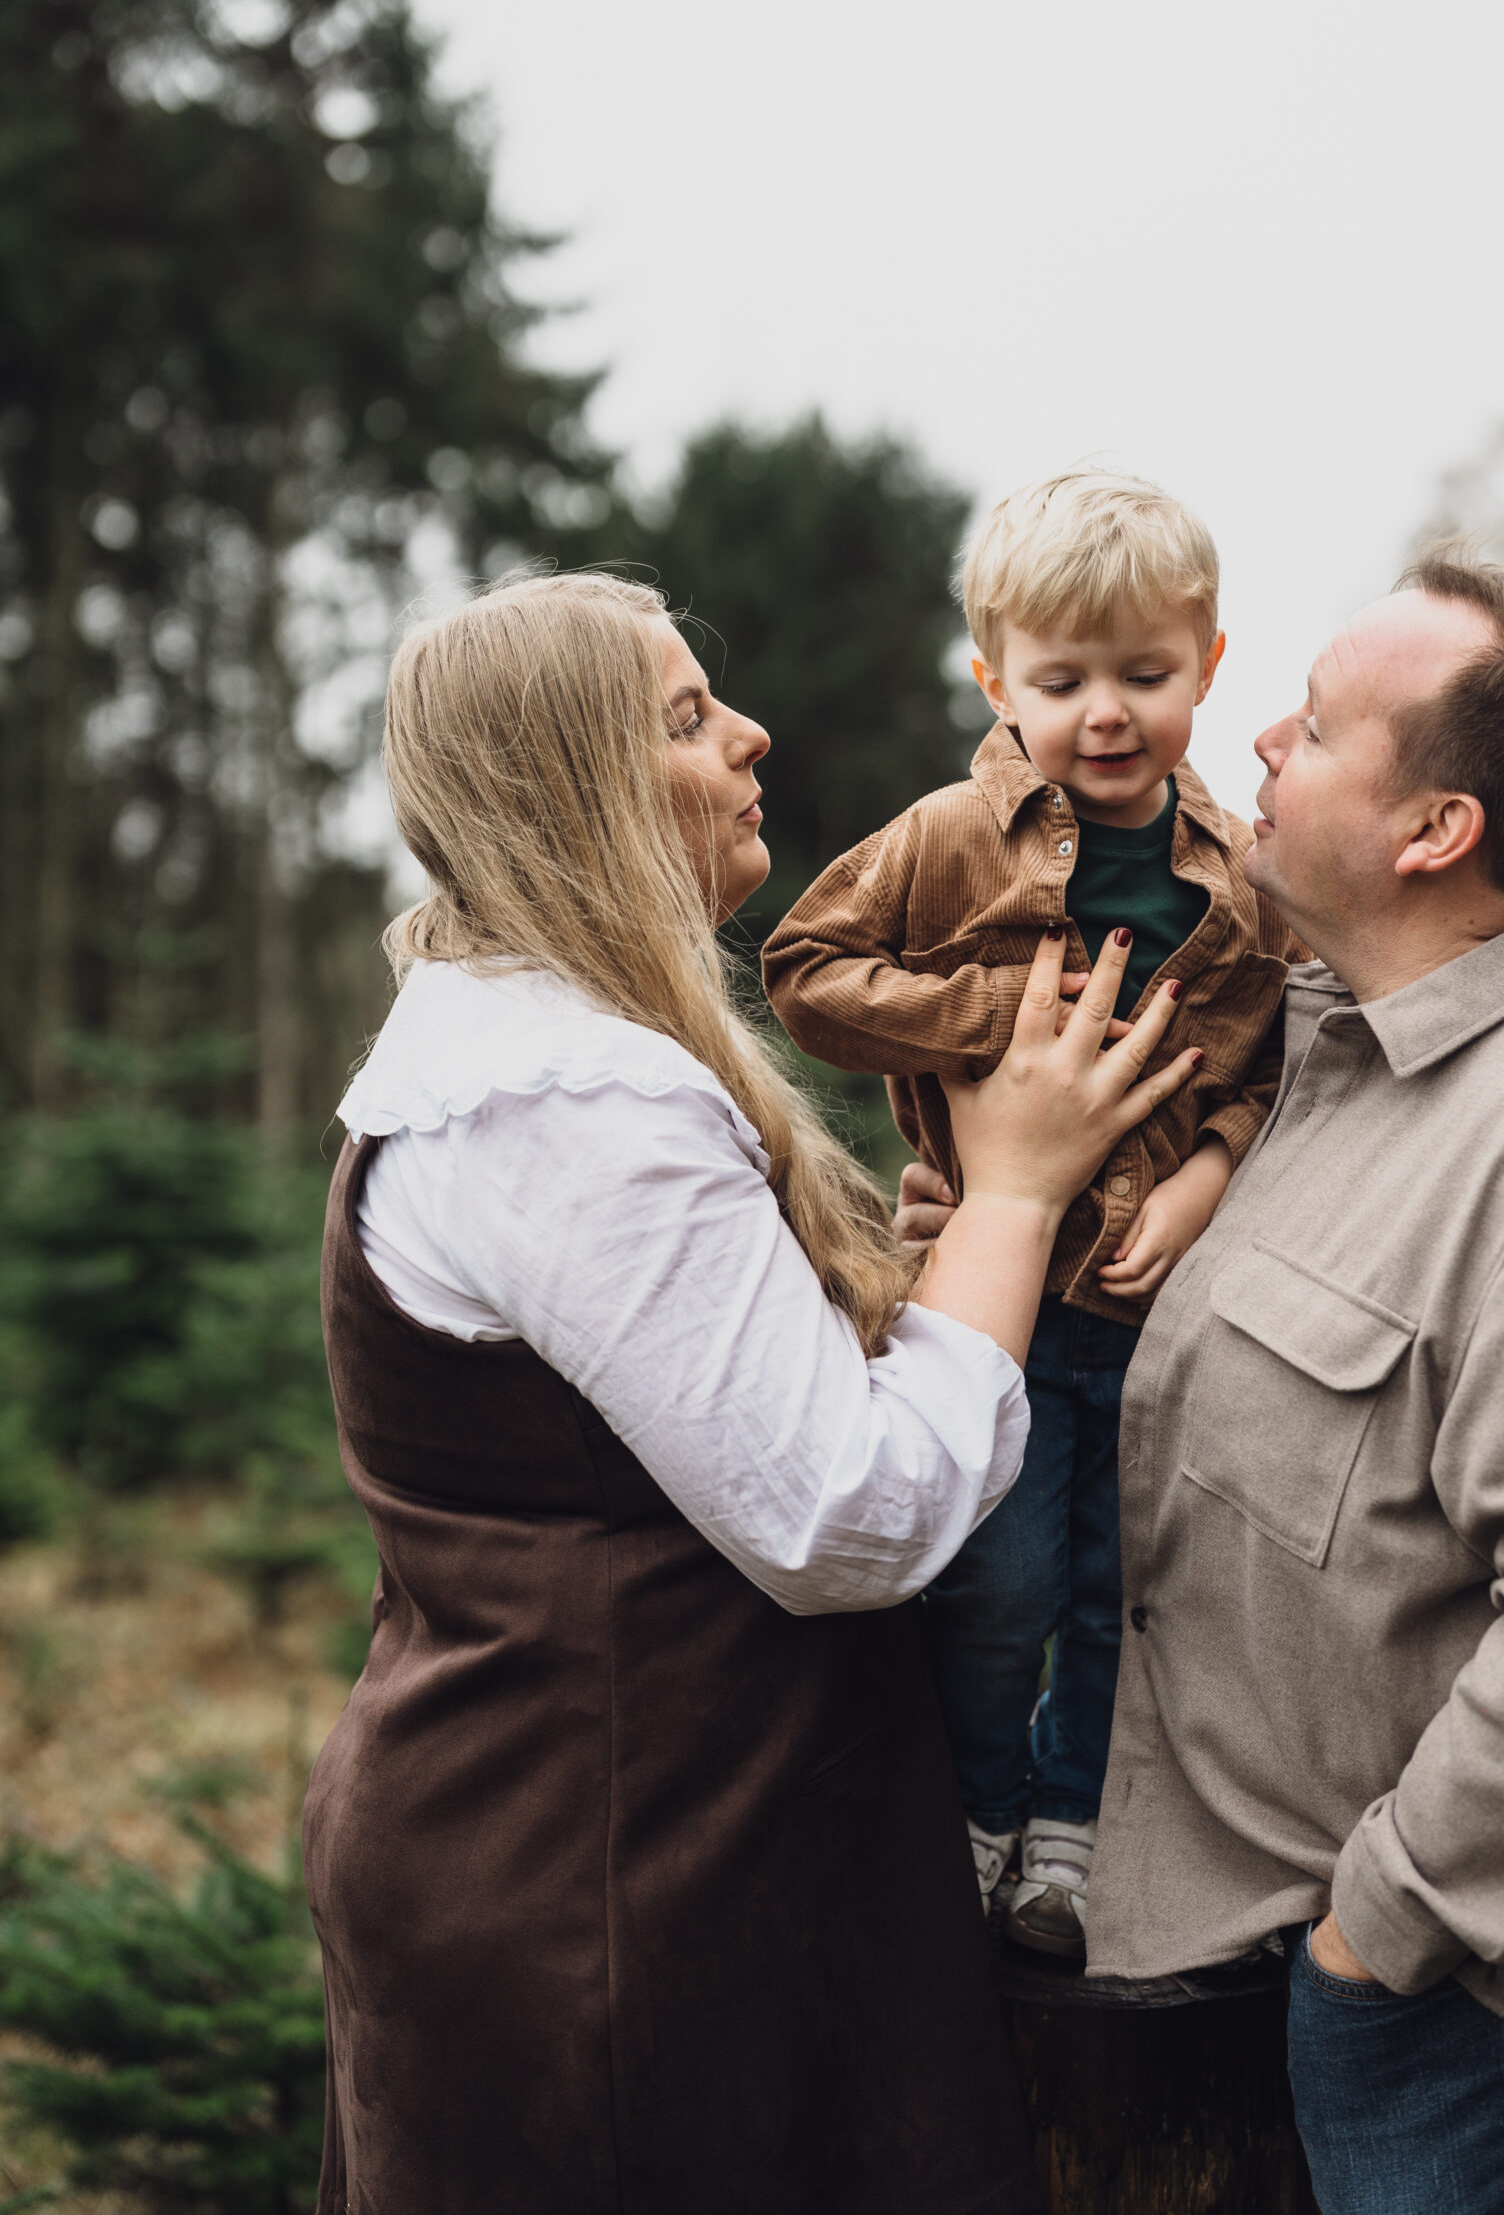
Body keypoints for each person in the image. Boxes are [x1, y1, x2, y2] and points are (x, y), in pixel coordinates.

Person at [302, 569, 1199, 2215]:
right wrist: (1013, 1199)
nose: (751, 730)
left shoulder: (533, 1055)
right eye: (687, 716)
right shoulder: (567, 1107)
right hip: (614, 1892)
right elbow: (843, 1515)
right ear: (578, 785)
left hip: (619, 1846)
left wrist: (916, 1291)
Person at [905, 545, 1504, 2212]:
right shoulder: (1331, 1046)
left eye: (1323, 728)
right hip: (1281, 1985)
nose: (1256, 737)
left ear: (1436, 832)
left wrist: (1374, 1939)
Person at [764, 472, 1302, 1958]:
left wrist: (1203, 1179)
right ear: (998, 681)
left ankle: (1072, 1839)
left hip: (1157, 1307)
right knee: (999, 1581)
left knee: (1123, 1588)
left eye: (1145, 675)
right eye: (1063, 682)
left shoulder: (1247, 875)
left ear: (1207, 663)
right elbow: (806, 968)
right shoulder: (950, 837)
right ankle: (976, 1813)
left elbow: (1269, 1065)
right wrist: (998, 1018)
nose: (1107, 714)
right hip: (993, 1289)